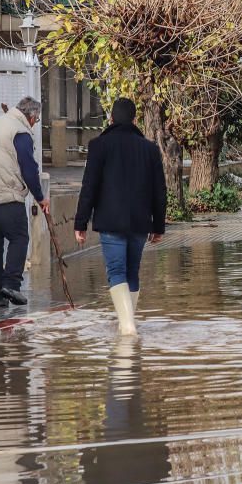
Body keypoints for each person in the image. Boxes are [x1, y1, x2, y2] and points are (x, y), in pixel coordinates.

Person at [74, 98, 167, 336]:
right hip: (139, 222)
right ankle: (128, 324)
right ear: (135, 120)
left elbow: (89, 187)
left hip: (110, 221)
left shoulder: (99, 145)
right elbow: (160, 190)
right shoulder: (150, 149)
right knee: (131, 272)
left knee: (116, 271)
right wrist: (158, 226)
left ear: (111, 119)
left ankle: (127, 326)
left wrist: (80, 222)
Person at [0, 97, 49, 308]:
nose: (35, 123)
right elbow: (29, 169)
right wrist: (40, 197)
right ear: (31, 117)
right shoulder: (20, 132)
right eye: (37, 120)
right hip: (5, 194)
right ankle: (12, 284)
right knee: (19, 237)